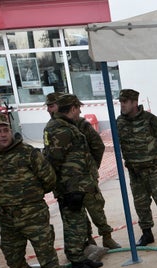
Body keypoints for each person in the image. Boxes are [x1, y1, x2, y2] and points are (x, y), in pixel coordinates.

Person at [0, 113, 62, 268]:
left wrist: (32, 196)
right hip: (8, 215)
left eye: (6, 130)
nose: (3, 135)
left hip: (33, 212)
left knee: (44, 248)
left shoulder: (27, 152)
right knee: (10, 251)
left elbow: (49, 178)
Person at [45, 93, 121, 250]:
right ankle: (88, 243)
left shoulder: (78, 124)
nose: (49, 109)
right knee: (77, 215)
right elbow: (53, 158)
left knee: (96, 209)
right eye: (48, 106)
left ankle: (106, 237)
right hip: (69, 184)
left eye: (52, 105)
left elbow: (97, 145)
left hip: (86, 180)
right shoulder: (55, 127)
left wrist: (92, 167)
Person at [43, 94, 103, 268]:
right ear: (72, 108)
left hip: (77, 186)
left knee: (79, 223)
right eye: (78, 108)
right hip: (70, 188)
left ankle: (82, 260)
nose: (80, 111)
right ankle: (77, 265)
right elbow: (53, 160)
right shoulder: (59, 129)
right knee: (73, 226)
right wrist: (64, 186)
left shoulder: (65, 126)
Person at [116, 89, 157, 248]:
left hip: (154, 170)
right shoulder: (120, 122)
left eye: (125, 102)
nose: (122, 105)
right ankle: (147, 234)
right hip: (135, 172)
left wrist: (156, 156)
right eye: (121, 102)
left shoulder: (151, 121)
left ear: (134, 103)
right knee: (141, 204)